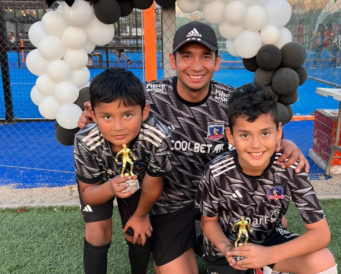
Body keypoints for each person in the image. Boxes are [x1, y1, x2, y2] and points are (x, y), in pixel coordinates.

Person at [78, 21, 309, 274]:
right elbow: (111, 106)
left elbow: (263, 130)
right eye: (187, 56)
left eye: (205, 56)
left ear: (217, 62)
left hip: (221, 200)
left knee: (274, 218)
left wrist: (285, 143)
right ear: (173, 60)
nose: (196, 66)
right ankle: (195, 240)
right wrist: (90, 118)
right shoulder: (148, 96)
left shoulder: (232, 102)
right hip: (170, 204)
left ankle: (209, 240)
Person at [196, 83, 337, 274]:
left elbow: (321, 234)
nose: (256, 145)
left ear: (278, 132)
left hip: (270, 244)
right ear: (230, 135)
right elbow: (208, 222)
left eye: (265, 133)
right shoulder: (216, 171)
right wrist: (227, 249)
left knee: (323, 260)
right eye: (245, 134)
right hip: (227, 253)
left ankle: (266, 268)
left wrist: (268, 255)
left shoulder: (290, 167)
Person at [74, 68, 171, 274]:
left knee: (136, 232)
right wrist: (110, 187)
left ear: (144, 111)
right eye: (107, 116)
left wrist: (141, 215)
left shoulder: (158, 137)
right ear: (93, 114)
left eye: (127, 115)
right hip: (100, 184)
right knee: (97, 232)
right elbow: (88, 194)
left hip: (138, 184)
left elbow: (153, 186)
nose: (118, 126)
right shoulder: (85, 141)